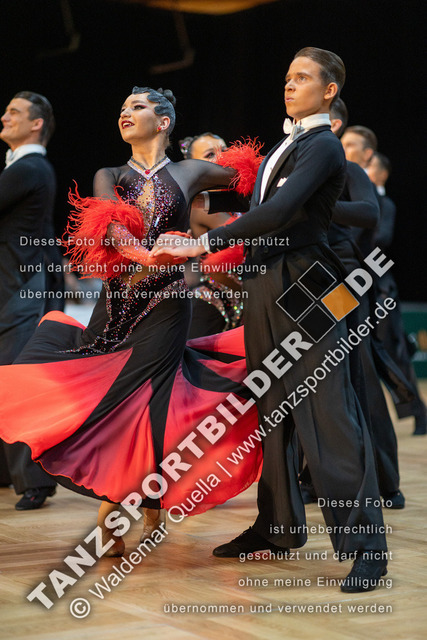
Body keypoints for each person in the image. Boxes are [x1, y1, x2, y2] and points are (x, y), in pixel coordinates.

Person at [153, 47, 389, 593]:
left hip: (306, 284)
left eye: (302, 77)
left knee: (328, 414)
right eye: (287, 76)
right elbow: (262, 211)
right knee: (272, 412)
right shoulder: (289, 144)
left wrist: (203, 244)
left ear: (329, 91)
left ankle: (367, 548)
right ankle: (277, 527)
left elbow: (281, 214)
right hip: (266, 281)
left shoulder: (324, 145)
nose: (289, 84)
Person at [0, 87, 262, 555]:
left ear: (163, 122)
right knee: (110, 400)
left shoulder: (190, 172)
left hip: (167, 306)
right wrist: (149, 254)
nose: (125, 113)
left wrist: (218, 219)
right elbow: (113, 230)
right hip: (116, 304)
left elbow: (258, 184)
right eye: (122, 107)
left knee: (153, 404)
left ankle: (128, 504)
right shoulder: (111, 175)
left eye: (137, 107)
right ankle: (139, 498)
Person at [300, 99, 405, 509]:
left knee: (360, 377)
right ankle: (314, 478)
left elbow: (370, 221)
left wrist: (314, 207)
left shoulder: (349, 172)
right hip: (308, 282)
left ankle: (386, 482)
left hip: (347, 282)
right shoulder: (304, 170)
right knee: (312, 382)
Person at [341, 129, 427, 435]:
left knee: (391, 351)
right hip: (348, 287)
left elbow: (381, 240)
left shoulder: (381, 204)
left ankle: (418, 412)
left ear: (378, 170)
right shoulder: (345, 193)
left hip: (377, 289)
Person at [0, 91, 58, 510]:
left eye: (14, 112)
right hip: (14, 286)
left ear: (37, 123)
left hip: (18, 288)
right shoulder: (25, 168)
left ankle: (36, 480)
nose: (5, 117)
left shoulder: (30, 167)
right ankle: (10, 473)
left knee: (16, 381)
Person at [180, 132, 244, 337]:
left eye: (225, 150)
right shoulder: (199, 204)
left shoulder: (241, 198)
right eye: (210, 154)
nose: (222, 157)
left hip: (245, 305)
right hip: (213, 305)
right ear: (193, 167)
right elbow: (243, 233)